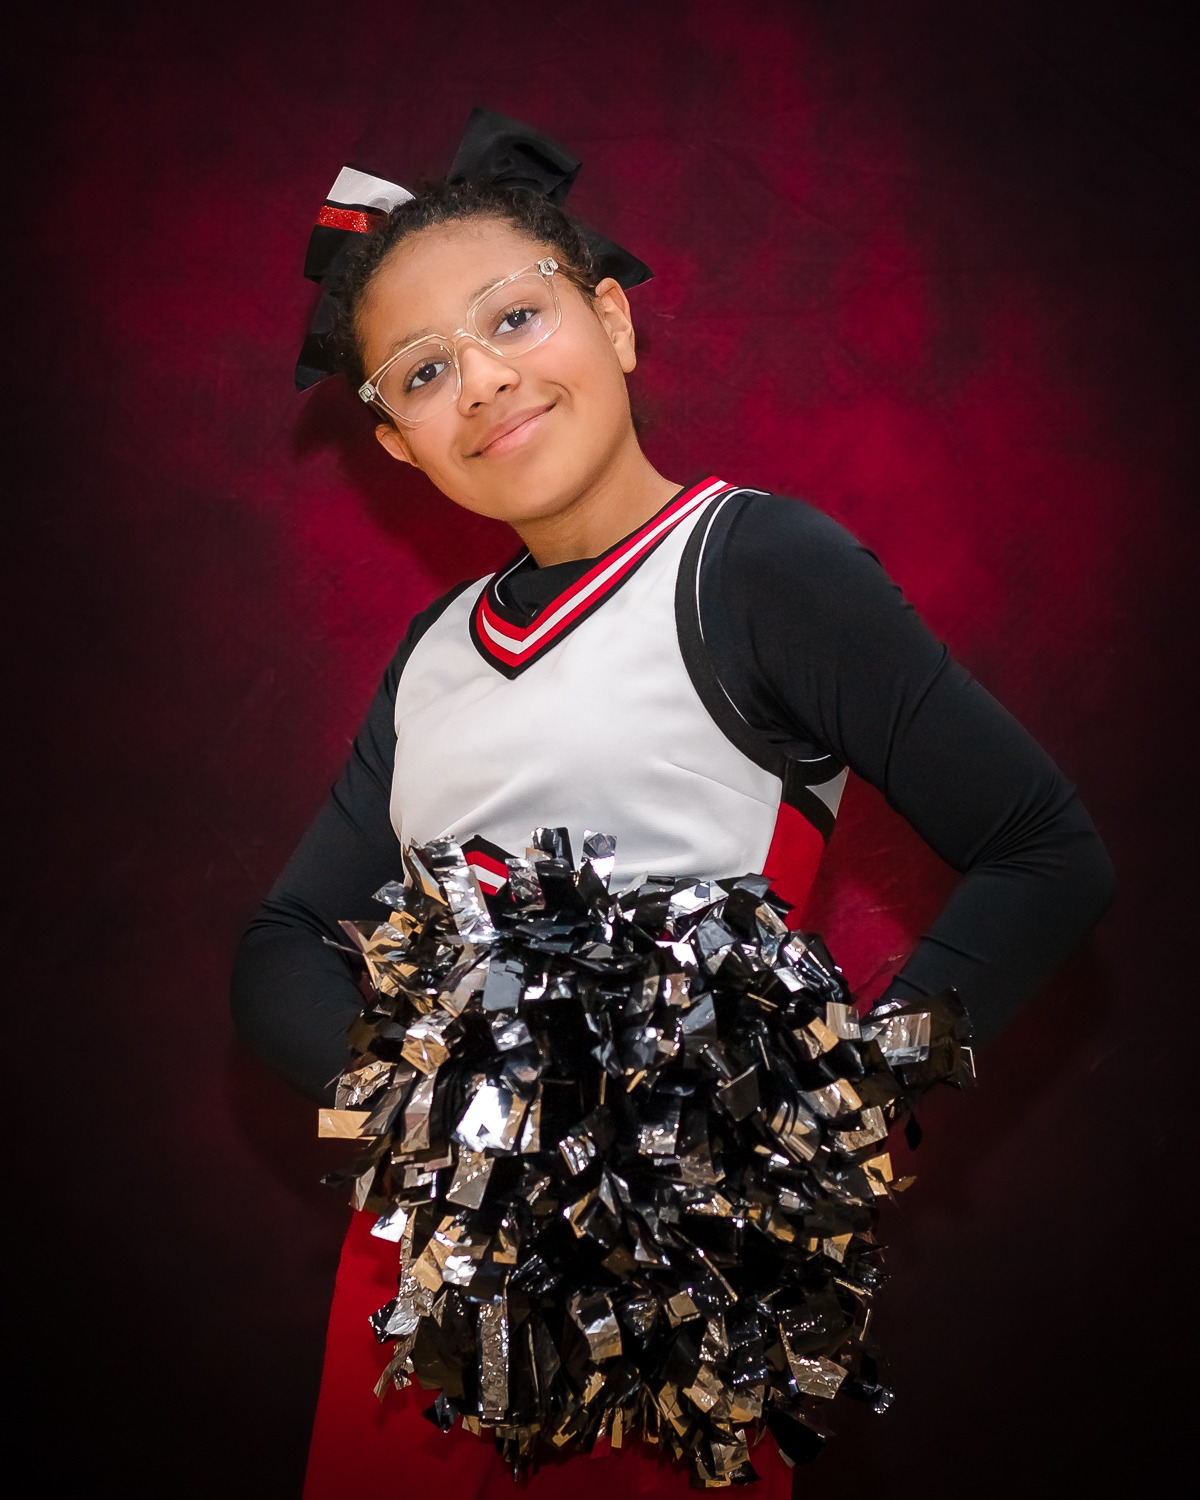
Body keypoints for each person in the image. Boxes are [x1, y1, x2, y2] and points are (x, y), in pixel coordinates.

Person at [231, 118, 1115, 1499]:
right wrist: (428, 1106)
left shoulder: (755, 564)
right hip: (425, 1295)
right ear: (400, 447)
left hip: (660, 1301)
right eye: (426, 371)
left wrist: (823, 1114)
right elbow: (282, 942)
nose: (485, 380)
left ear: (615, 320)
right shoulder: (432, 654)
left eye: (514, 317)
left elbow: (1044, 852)